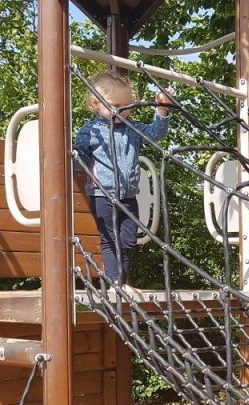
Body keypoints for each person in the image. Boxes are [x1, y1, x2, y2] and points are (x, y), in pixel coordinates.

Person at [73, 71, 171, 290]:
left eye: (127, 106)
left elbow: (155, 133)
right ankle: (115, 283)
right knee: (110, 239)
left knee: (127, 240)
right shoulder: (90, 131)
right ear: (95, 103)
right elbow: (80, 159)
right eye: (115, 106)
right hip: (102, 194)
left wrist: (162, 110)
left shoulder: (132, 128)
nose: (123, 111)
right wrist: (72, 157)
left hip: (128, 195)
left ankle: (122, 283)